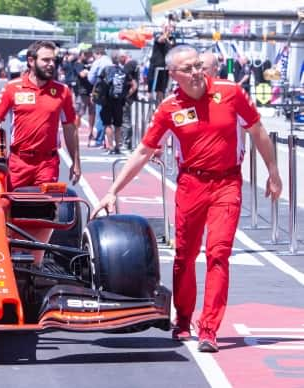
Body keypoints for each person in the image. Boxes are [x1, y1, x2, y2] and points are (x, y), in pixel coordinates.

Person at [92, 45, 282, 353]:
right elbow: (142, 152)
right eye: (189, 68)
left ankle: (209, 328)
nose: (196, 73)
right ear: (173, 75)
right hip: (191, 183)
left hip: (227, 183)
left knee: (218, 253)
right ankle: (183, 319)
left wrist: (273, 172)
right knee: (184, 256)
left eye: (198, 66)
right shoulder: (169, 108)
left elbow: (258, 130)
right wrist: (114, 189)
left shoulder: (230, 92)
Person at [0, 40, 81, 190]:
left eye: (53, 60)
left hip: (47, 164)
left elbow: (70, 128)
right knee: (12, 207)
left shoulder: (63, 91)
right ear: (31, 61)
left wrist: (76, 161)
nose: (51, 64)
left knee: (45, 209)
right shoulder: (12, 88)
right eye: (46, 60)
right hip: (18, 163)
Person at [88, 46, 112, 148]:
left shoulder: (98, 62)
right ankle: (107, 140)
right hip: (111, 90)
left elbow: (91, 78)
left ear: (98, 53)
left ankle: (99, 140)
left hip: (101, 89)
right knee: (107, 116)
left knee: (100, 115)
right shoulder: (110, 61)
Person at [148, 19, 175, 102]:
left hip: (165, 67)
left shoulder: (171, 38)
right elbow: (161, 40)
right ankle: (151, 106)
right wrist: (165, 31)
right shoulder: (158, 35)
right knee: (153, 89)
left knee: (163, 89)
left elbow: (171, 45)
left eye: (172, 27)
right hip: (156, 66)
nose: (171, 28)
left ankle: (161, 104)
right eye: (169, 26)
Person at [120, 51, 139, 150]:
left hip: (128, 97)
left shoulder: (128, 66)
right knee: (126, 119)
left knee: (125, 120)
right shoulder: (134, 64)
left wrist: (126, 95)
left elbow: (134, 85)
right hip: (131, 96)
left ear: (124, 56)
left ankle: (126, 143)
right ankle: (126, 142)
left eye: (120, 58)